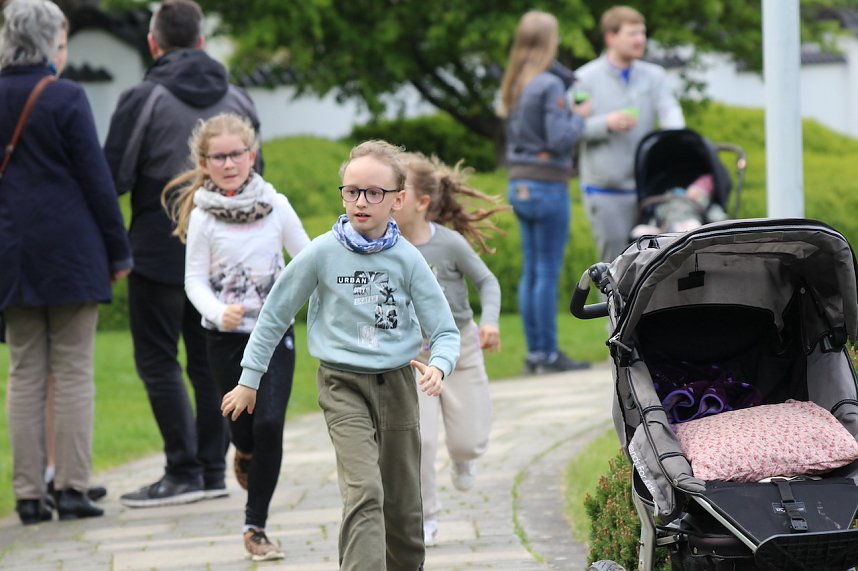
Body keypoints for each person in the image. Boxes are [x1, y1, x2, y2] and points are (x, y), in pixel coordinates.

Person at [221, 140, 460, 570]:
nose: (361, 201)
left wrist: (439, 367)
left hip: (399, 387)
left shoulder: (408, 259)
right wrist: (248, 379)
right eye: (352, 191)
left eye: (374, 192)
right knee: (365, 490)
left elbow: (444, 330)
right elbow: (274, 315)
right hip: (342, 385)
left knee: (404, 507)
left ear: (398, 200)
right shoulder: (321, 253)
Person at [103, 0, 263, 507]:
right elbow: (259, 178)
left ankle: (182, 470)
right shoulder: (239, 97)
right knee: (210, 364)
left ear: (154, 43)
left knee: (157, 360)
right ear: (200, 41)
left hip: (157, 248)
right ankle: (213, 469)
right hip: (226, 256)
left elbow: (115, 177)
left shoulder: (142, 97)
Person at [0, 0, 132, 525]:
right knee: (74, 372)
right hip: (72, 254)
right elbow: (96, 180)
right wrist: (118, 249)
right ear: (53, 37)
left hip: (11, 254)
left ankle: (29, 497)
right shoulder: (66, 96)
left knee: (23, 374)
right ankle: (73, 489)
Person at [164, 113, 310, 560]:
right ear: (204, 162)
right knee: (243, 430)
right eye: (218, 157)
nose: (228, 163)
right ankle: (241, 452)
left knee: (269, 424)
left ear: (252, 155)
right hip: (224, 340)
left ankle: (256, 527)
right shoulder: (205, 216)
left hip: (274, 334)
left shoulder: (276, 205)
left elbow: (306, 260)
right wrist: (216, 312)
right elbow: (194, 282)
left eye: (236, 154)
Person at [393, 153, 503, 547]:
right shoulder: (381, 247)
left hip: (460, 348)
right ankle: (426, 518)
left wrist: (489, 321)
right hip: (413, 359)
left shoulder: (450, 244)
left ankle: (463, 460)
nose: (386, 200)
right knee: (419, 441)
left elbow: (487, 282)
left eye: (396, 193)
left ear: (421, 202)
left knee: (467, 440)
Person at [498, 10, 591, 375]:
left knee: (531, 271)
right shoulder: (549, 85)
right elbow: (561, 138)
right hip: (546, 184)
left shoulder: (517, 81)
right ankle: (549, 354)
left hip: (518, 184)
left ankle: (536, 354)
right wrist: (580, 114)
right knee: (547, 272)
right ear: (547, 41)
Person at [575, 5, 686, 263]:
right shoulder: (584, 79)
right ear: (610, 38)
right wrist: (606, 123)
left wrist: (678, 138)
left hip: (646, 189)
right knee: (613, 267)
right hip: (605, 189)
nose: (640, 40)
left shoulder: (654, 76)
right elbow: (572, 130)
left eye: (643, 33)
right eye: (632, 34)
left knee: (649, 263)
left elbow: (670, 109)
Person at [630, 173, 727, 238]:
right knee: (639, 231)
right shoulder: (671, 197)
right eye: (695, 189)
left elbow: (717, 217)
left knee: (693, 225)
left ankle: (676, 237)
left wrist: (722, 222)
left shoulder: (704, 205)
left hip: (687, 224)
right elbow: (657, 214)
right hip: (664, 227)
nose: (695, 193)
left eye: (700, 192)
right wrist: (653, 224)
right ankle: (666, 236)